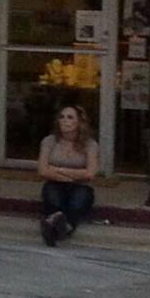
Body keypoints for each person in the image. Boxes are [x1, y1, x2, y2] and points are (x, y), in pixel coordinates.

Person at [36, 104, 99, 245]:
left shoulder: (90, 144)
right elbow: (42, 170)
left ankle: (54, 229)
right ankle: (62, 227)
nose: (65, 121)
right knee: (53, 197)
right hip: (55, 183)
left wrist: (58, 170)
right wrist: (75, 175)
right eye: (62, 117)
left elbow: (90, 173)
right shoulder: (49, 141)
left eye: (70, 117)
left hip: (81, 186)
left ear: (79, 122)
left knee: (78, 200)